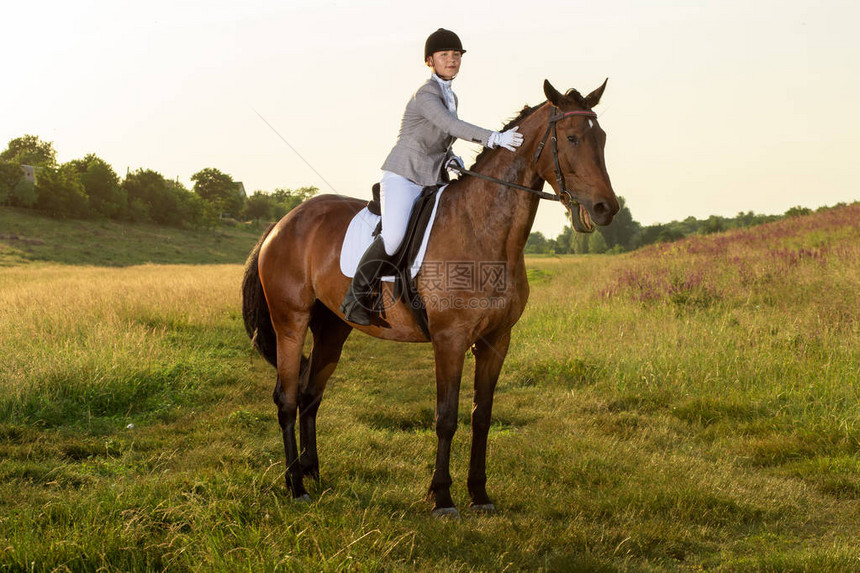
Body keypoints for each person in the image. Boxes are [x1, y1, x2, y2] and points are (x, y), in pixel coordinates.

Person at [340, 28, 524, 325]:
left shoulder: (451, 95)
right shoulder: (426, 94)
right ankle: (355, 296)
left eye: (456, 55)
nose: (452, 60)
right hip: (403, 175)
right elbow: (449, 125)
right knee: (394, 236)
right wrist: (494, 138)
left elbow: (439, 138)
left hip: (431, 178)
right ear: (430, 61)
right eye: (444, 55)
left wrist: (451, 158)